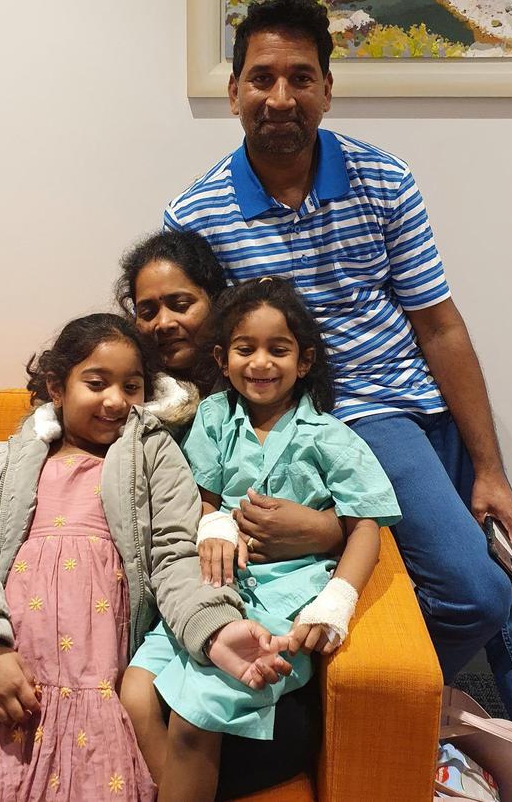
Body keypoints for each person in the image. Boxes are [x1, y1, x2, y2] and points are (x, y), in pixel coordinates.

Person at [162, 0, 512, 744]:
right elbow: (208, 355)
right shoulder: (197, 213)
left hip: (420, 404)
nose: (281, 97)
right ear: (235, 89)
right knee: (475, 593)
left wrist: (490, 467)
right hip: (347, 417)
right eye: (262, 77)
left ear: (327, 88)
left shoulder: (383, 178)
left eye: (301, 77)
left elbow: (438, 325)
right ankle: (350, 710)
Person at [0, 313, 291, 801]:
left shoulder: (154, 454)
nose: (115, 400)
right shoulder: (9, 460)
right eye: (96, 382)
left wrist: (215, 628)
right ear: (56, 387)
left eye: (131, 386)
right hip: (5, 671)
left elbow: (175, 557)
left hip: (95, 684)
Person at [121, 277, 402, 802]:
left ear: (306, 359)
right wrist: (216, 524)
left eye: (279, 349)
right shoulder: (213, 417)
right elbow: (201, 497)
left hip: (282, 600)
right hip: (212, 589)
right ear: (222, 359)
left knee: (191, 721)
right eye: (245, 349)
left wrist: (337, 601)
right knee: (135, 693)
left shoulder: (330, 436)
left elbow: (367, 525)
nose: (261, 363)